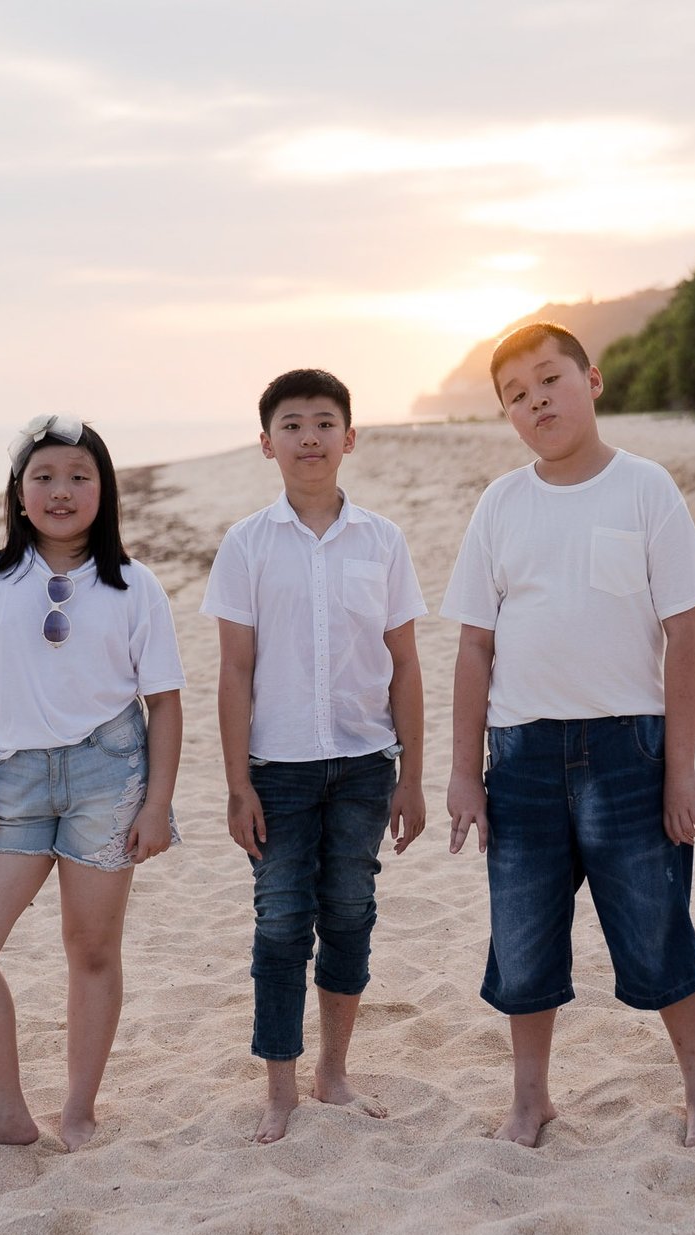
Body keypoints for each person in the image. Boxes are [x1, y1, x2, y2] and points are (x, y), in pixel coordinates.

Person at [441, 322, 695, 1148]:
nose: (537, 402)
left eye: (549, 380)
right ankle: (530, 1100)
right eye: (516, 395)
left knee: (657, 923)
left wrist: (681, 768)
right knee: (523, 940)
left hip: (629, 752)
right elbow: (473, 644)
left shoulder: (645, 489)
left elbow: (686, 631)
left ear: (591, 381)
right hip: (522, 757)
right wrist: (465, 772)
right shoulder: (501, 505)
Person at [0, 413, 184, 1153]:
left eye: (79, 475)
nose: (61, 490)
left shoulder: (136, 586)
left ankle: (79, 1110)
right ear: (17, 494)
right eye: (43, 476)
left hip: (110, 776)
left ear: (104, 491)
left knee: (92, 949)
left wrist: (158, 804)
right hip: (11, 783)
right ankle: (6, 1112)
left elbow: (165, 701)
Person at [202, 369, 428, 1143]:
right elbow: (233, 670)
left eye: (324, 423)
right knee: (279, 925)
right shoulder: (247, 544)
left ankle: (333, 1071)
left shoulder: (383, 541)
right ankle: (281, 1089)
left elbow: (405, 663)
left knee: (351, 913)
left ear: (350, 438)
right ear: (267, 443)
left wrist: (415, 777)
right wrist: (237, 784)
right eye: (292, 425)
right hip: (279, 771)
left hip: (367, 765)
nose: (309, 438)